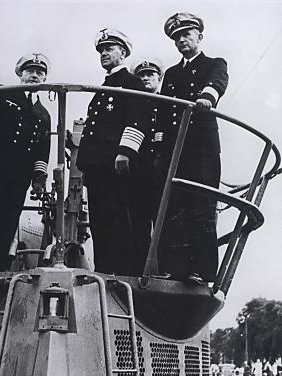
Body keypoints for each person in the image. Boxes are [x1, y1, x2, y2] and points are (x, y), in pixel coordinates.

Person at [156, 12, 229, 284]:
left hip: (202, 150)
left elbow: (218, 82)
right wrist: (160, 146)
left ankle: (204, 270)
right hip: (176, 152)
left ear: (200, 36)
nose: (182, 40)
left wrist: (207, 97)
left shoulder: (214, 64)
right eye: (177, 37)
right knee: (177, 208)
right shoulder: (172, 74)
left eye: (187, 34)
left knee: (202, 206)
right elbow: (163, 112)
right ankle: (178, 268)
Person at [76, 28, 149, 275]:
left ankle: (119, 271)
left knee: (118, 219)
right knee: (100, 221)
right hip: (97, 166)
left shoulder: (131, 83)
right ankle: (104, 270)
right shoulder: (104, 87)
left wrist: (125, 151)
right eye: (101, 50)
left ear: (123, 52)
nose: (104, 53)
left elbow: (137, 117)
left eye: (109, 49)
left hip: (115, 164)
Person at [0, 53, 51, 270]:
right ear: (20, 73)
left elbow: (42, 150)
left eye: (39, 73)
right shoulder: (3, 95)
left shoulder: (43, 114)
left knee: (8, 221)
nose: (34, 76)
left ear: (45, 78)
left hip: (18, 177)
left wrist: (38, 178)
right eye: (30, 71)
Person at [132, 58, 164, 273]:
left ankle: (163, 268)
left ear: (159, 78)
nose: (145, 78)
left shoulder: (167, 103)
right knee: (138, 220)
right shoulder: (135, 105)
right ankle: (137, 266)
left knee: (162, 219)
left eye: (150, 75)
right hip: (139, 171)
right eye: (142, 75)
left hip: (161, 171)